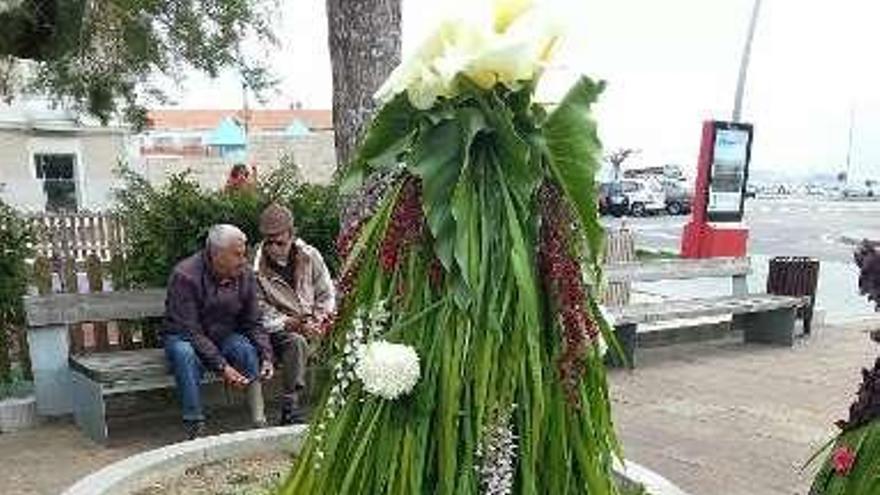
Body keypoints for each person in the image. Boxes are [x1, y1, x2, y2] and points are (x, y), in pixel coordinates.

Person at [163, 224, 274, 439]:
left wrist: (267, 356)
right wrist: (222, 366)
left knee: (244, 347)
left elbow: (253, 322)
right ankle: (195, 425)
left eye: (244, 253)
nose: (243, 260)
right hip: (184, 335)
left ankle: (259, 419)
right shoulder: (185, 275)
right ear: (216, 254)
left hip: (223, 332)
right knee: (184, 355)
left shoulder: (245, 274)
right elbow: (191, 330)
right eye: (237, 254)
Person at [253, 203, 336, 424]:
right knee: (297, 342)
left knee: (349, 335)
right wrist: (292, 323)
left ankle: (343, 404)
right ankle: (290, 407)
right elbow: (258, 311)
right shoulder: (256, 269)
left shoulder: (310, 256)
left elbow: (326, 294)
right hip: (277, 331)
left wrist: (319, 321)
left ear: (292, 234)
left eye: (279, 242)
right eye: (268, 242)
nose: (273, 248)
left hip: (314, 323)